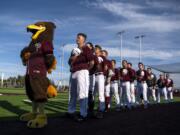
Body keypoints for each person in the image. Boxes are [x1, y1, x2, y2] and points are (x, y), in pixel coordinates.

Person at [67, 33, 94, 122]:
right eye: (77, 37)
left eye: (79, 37)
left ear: (84, 40)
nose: (77, 38)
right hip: (73, 71)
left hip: (82, 71)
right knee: (72, 93)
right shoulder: (74, 50)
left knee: (82, 93)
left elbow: (92, 62)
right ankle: (71, 111)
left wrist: (86, 70)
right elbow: (69, 61)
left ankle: (83, 114)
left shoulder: (86, 48)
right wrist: (72, 59)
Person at [93, 45, 107, 119]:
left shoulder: (102, 57)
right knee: (92, 94)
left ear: (100, 50)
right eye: (95, 49)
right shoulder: (93, 57)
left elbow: (105, 67)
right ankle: (91, 109)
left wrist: (104, 73)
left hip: (100, 76)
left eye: (97, 49)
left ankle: (101, 110)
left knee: (101, 94)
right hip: (93, 76)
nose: (95, 50)